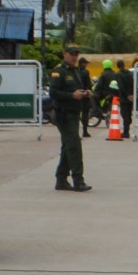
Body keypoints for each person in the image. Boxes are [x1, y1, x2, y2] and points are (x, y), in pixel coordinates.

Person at [49, 49, 92, 191]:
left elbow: (77, 88)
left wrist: (85, 93)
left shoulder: (76, 71)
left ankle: (61, 179)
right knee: (74, 146)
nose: (74, 57)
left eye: (76, 55)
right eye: (71, 54)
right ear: (64, 54)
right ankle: (78, 180)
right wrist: (71, 96)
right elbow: (53, 93)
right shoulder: (58, 71)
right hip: (63, 114)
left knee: (68, 146)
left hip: (74, 113)